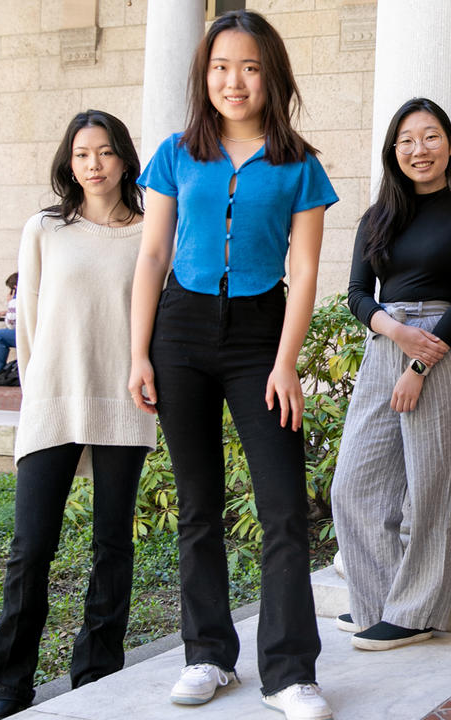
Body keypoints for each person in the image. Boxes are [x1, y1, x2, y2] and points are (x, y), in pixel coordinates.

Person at [127, 10, 337, 720]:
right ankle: (209, 655)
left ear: (270, 74)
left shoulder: (299, 163)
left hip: (259, 336)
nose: (234, 80)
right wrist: (138, 353)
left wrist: (287, 364)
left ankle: (289, 673)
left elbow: (304, 274)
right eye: (221, 67)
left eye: (248, 66)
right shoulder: (176, 154)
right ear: (204, 76)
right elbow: (153, 254)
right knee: (198, 506)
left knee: (282, 506)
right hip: (180, 330)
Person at [0, 110, 156, 720]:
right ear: (69, 162)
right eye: (83, 154)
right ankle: (10, 682)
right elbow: (26, 321)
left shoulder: (149, 232)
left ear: (124, 159)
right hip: (54, 400)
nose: (94, 164)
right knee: (31, 546)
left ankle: (98, 670)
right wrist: (40, 392)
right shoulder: (44, 229)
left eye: (105, 152)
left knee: (113, 544)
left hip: (123, 401)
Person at [331, 98, 451, 651]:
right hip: (386, 342)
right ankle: (377, 604)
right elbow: (356, 293)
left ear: (449, 145)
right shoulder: (377, 217)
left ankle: (417, 612)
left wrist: (420, 362)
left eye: (429, 138)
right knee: (353, 483)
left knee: (432, 487)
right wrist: (394, 335)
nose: (418, 150)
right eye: (406, 140)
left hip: (439, 347)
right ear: (393, 151)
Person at [0, 272, 18, 375]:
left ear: (14, 287)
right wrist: (6, 312)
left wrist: (10, 303)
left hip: (26, 335)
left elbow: (11, 324)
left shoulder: (16, 299)